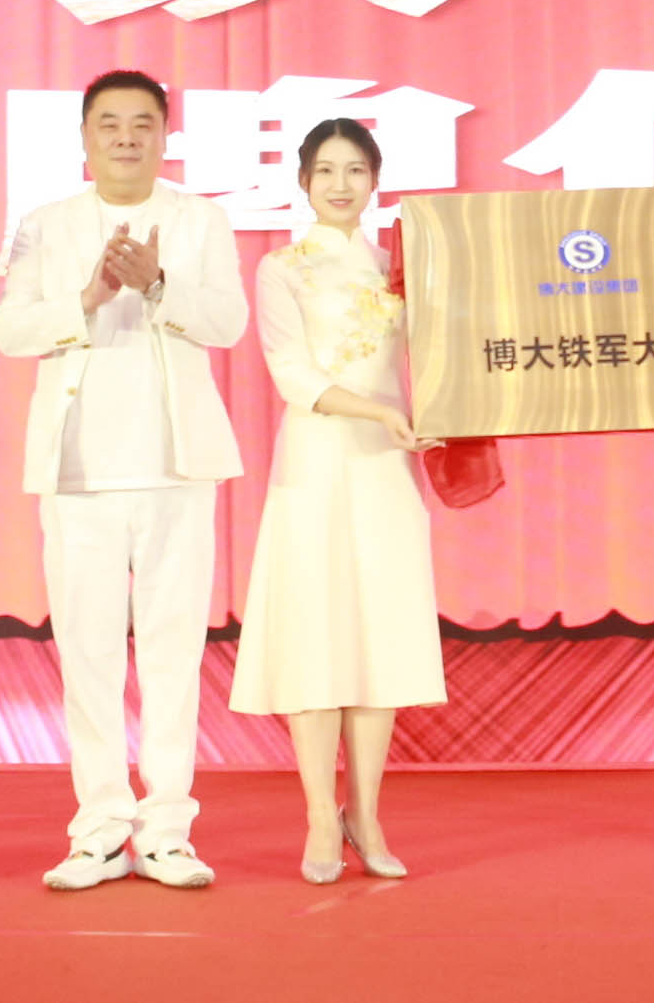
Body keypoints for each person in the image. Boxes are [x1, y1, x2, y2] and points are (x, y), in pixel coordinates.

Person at [0, 70, 248, 892]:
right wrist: (90, 295)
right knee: (88, 653)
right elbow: (9, 330)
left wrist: (159, 286)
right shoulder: (45, 223)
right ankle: (100, 829)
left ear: (166, 135)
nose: (127, 138)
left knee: (174, 651)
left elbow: (228, 323)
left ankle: (168, 830)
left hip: (176, 465)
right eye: (110, 124)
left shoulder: (201, 219)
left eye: (143, 123)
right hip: (79, 470)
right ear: (84, 137)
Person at [230, 119, 448, 885]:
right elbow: (292, 373)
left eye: (355, 170)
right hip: (319, 460)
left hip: (388, 463)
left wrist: (435, 412)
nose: (341, 184)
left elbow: (449, 355)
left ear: (375, 180)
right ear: (302, 182)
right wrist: (378, 412)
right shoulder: (281, 268)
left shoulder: (401, 268)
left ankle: (369, 814)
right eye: (326, 170)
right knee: (317, 635)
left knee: (379, 634)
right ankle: (322, 814)